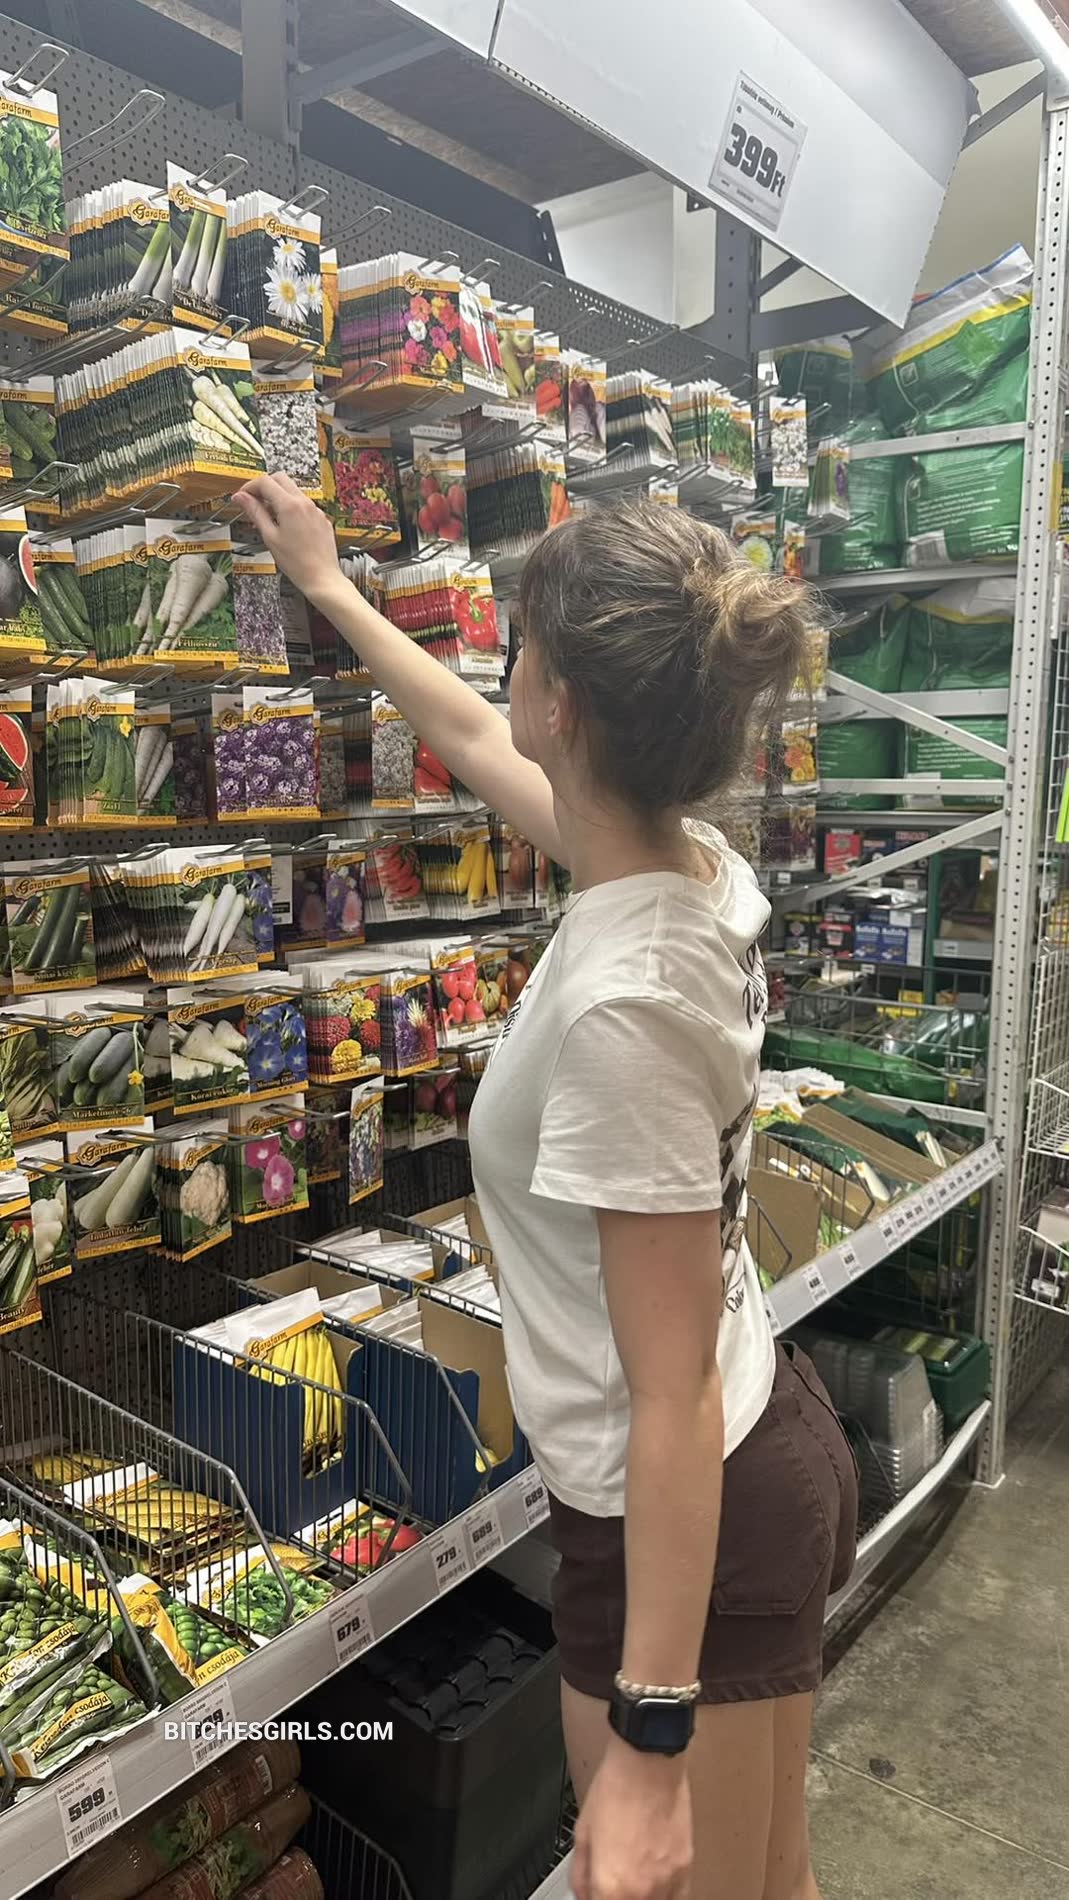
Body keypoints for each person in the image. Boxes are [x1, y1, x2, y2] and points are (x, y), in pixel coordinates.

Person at [236, 475, 859, 1900]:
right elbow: (465, 734)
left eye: (514, 645)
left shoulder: (625, 1006)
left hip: (690, 1521)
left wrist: (651, 1737)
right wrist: (331, 588)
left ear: (563, 703)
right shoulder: (677, 865)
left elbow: (667, 1396)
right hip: (739, 1465)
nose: (497, 672)